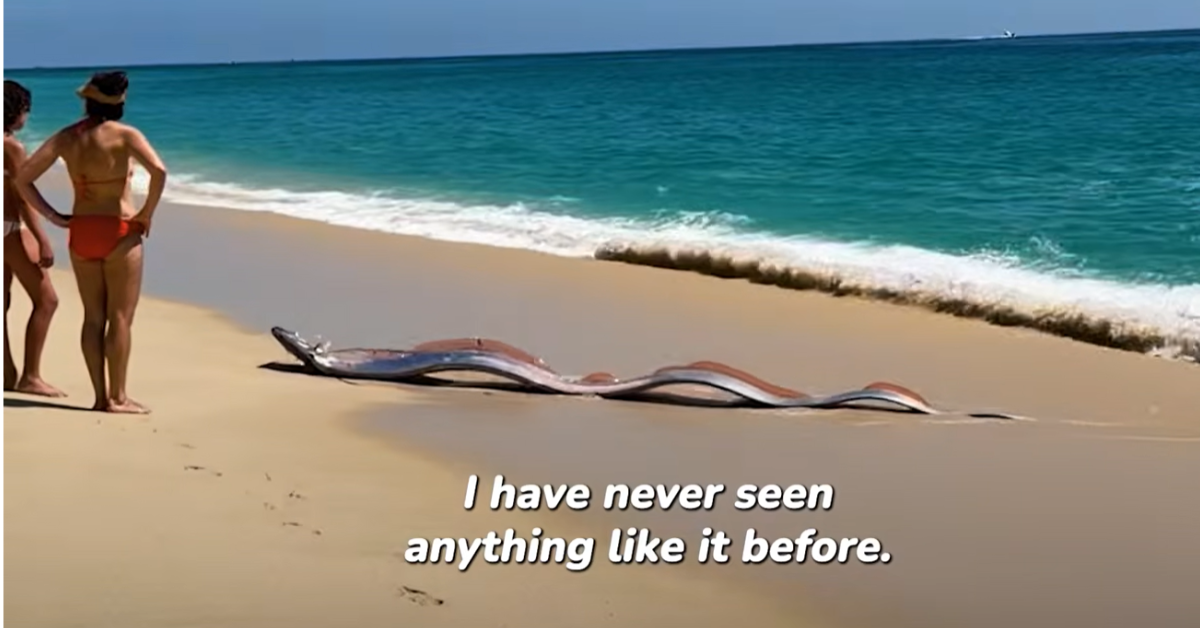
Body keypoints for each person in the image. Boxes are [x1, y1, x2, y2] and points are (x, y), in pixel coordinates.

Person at [15, 71, 168, 414]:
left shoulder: (67, 137)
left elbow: (23, 178)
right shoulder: (126, 135)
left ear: (88, 100)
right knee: (121, 318)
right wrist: (145, 213)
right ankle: (120, 397)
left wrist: (55, 217)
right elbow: (159, 172)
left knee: (93, 318)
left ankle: (100, 398)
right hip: (119, 229)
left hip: (81, 230)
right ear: (120, 102)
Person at [4, 80, 67, 398]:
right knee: (47, 300)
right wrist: (45, 235)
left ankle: (6, 372)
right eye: (25, 110)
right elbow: (23, 195)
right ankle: (30, 376)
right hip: (7, 229)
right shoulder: (10, 146)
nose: (26, 117)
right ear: (16, 111)